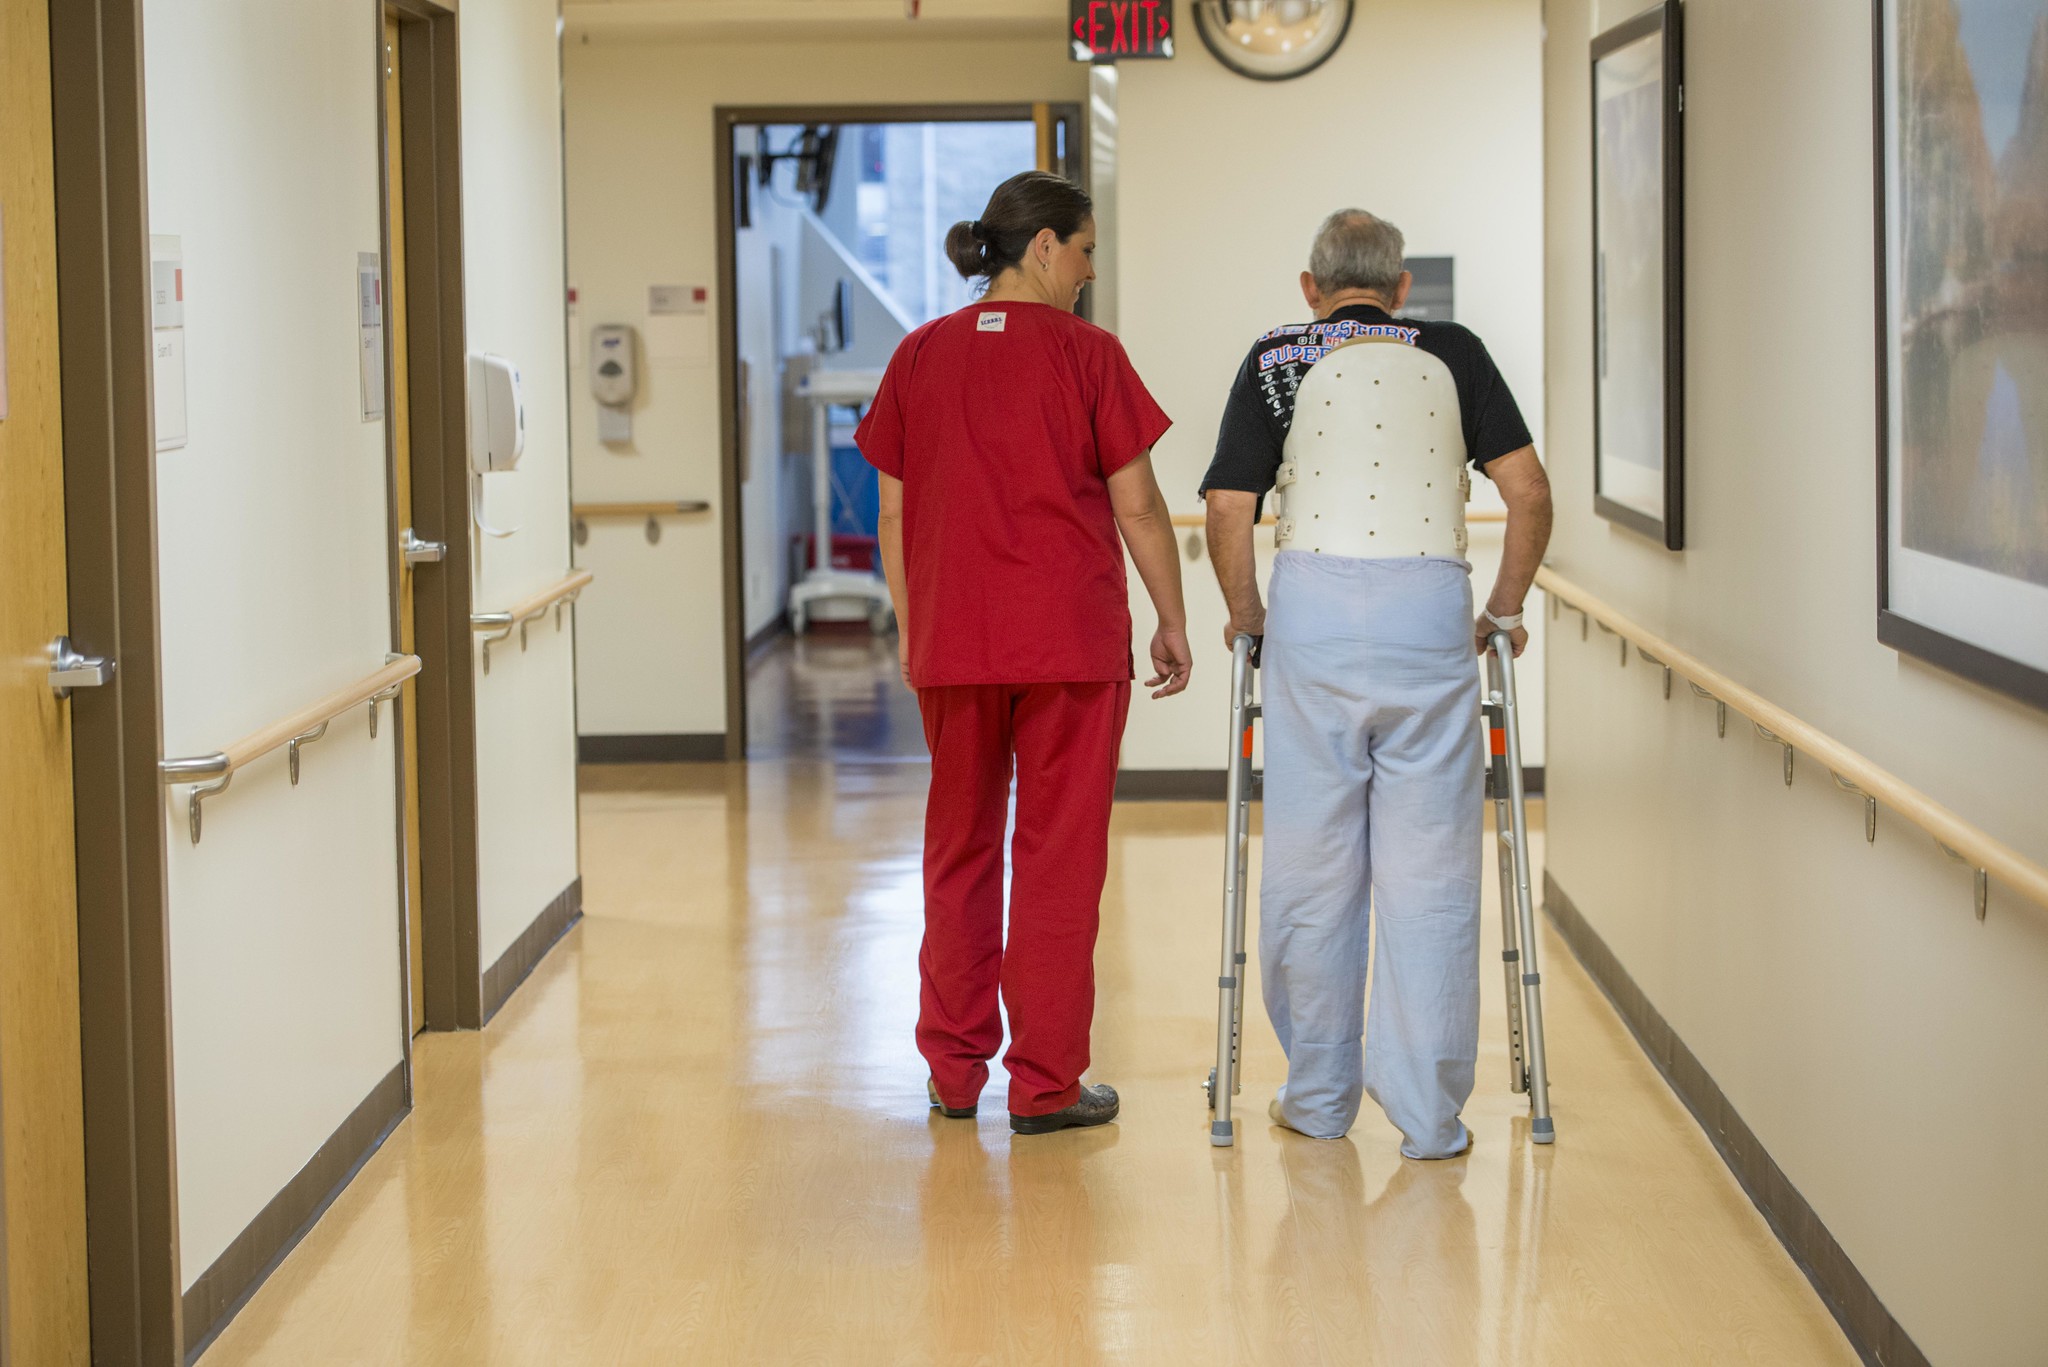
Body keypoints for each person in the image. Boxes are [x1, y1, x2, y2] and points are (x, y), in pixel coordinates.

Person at [1200, 209, 1553, 1158]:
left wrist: (1247, 615)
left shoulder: (1277, 354)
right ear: (1402, 288)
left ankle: (1318, 1097)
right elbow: (1529, 493)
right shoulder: (1454, 350)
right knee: (1432, 871)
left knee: (1311, 866)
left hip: (1312, 612)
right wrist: (1504, 611)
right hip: (1430, 611)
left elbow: (1229, 505)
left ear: (1310, 288)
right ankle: (1430, 1117)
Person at [857, 171, 1193, 1135]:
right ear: (1044, 246)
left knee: (957, 849)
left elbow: (893, 512)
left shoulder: (920, 353)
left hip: (956, 641)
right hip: (1070, 645)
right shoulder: (1089, 355)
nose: (1089, 272)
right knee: (1058, 858)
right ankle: (1045, 1085)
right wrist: (1171, 617)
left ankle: (953, 1074)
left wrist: (915, 628)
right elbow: (1138, 505)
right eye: (1084, 251)